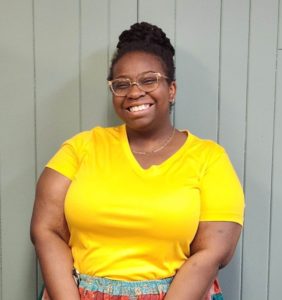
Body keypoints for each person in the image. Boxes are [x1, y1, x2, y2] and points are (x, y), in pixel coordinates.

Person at [31, 22, 244, 300]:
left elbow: (213, 252)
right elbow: (45, 230)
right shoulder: (80, 148)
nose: (134, 92)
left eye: (149, 80)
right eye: (122, 84)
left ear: (172, 89)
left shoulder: (209, 158)